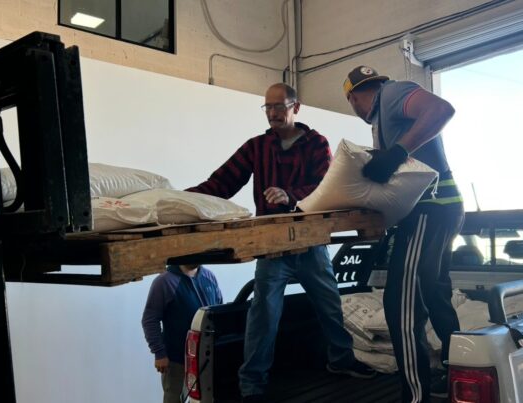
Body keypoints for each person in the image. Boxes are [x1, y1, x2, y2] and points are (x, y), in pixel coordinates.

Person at [186, 83, 375, 403]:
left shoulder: (316, 144)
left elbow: (324, 187)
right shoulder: (257, 146)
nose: (272, 113)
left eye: (279, 106)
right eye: (268, 107)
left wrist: (290, 196)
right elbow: (222, 182)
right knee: (264, 315)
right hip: (272, 247)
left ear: (295, 107)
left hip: (310, 243)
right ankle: (252, 385)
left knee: (330, 305)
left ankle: (342, 360)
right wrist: (183, 200)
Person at [343, 66, 465, 403]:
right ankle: (455, 371)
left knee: (401, 305)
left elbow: (441, 110)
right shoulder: (383, 118)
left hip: (429, 210)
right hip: (444, 208)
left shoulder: (392, 94)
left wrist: (396, 153)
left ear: (352, 97)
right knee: (435, 293)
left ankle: (415, 396)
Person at [141, 264, 223, 403]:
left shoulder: (209, 276)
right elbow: (150, 320)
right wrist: (159, 353)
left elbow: (219, 308)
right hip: (176, 361)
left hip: (208, 358)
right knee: (174, 398)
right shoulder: (164, 281)